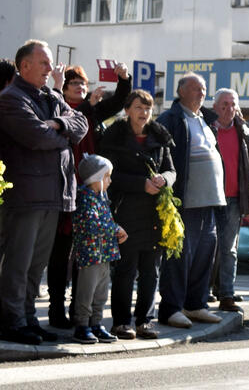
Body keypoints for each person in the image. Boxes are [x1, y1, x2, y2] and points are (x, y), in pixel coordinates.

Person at [0, 40, 88, 345]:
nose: (51, 70)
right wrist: (64, 135)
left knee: (36, 266)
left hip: (54, 193)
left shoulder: (51, 96)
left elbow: (82, 124)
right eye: (44, 63)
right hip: (25, 195)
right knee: (18, 264)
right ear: (24, 66)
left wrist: (58, 124)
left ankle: (27, 318)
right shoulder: (11, 98)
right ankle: (12, 321)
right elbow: (36, 137)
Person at [46, 62, 132, 329]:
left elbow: (118, 102)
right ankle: (56, 308)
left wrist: (124, 78)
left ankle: (79, 311)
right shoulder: (58, 105)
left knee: (84, 254)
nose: (82, 88)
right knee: (60, 255)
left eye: (84, 84)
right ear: (64, 87)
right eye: (75, 84)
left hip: (91, 191)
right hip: (62, 189)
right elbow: (69, 121)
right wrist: (83, 103)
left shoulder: (92, 110)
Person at [99, 89, 176, 340]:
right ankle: (121, 323)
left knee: (151, 270)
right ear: (127, 110)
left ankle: (145, 320)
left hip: (155, 213)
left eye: (148, 108)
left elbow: (172, 171)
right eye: (139, 108)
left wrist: (163, 179)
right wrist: (140, 184)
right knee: (125, 270)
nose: (144, 113)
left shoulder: (159, 136)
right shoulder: (115, 137)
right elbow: (110, 176)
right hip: (126, 211)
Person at [156, 72, 225, 329]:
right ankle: (171, 308)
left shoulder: (205, 119)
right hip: (186, 201)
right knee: (180, 256)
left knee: (205, 254)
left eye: (204, 89)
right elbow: (162, 157)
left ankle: (195, 304)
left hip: (210, 201)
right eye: (196, 88)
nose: (202, 93)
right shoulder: (171, 118)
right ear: (181, 91)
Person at [71, 154, 127, 344]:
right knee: (87, 291)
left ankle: (96, 322)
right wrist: (115, 229)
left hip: (104, 254)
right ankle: (82, 324)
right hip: (91, 254)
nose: (110, 180)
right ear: (95, 178)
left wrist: (115, 230)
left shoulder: (101, 197)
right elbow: (92, 224)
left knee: (101, 292)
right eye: (106, 176)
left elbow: (105, 222)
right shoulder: (85, 198)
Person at [211, 88, 249, 314]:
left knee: (229, 249)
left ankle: (226, 294)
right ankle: (202, 292)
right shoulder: (207, 130)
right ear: (215, 107)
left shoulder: (244, 133)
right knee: (207, 248)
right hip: (209, 198)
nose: (229, 108)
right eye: (224, 104)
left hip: (233, 199)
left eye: (233, 104)